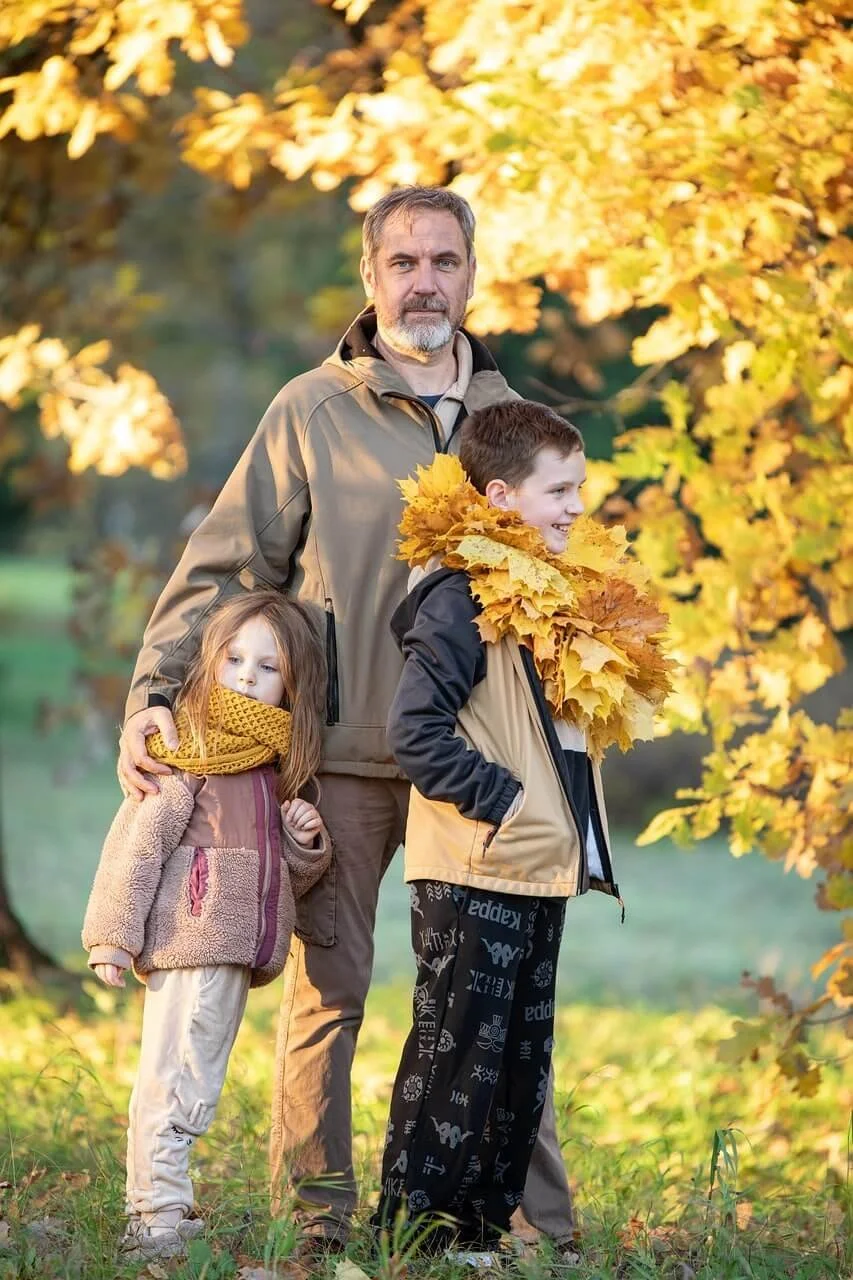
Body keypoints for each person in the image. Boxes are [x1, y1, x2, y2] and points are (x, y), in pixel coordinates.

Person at [115, 186, 578, 1255]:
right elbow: (228, 564)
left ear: (471, 275)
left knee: (499, 999)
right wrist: (154, 692)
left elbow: (572, 567)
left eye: (445, 261)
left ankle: (531, 1223)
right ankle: (314, 1226)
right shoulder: (312, 408)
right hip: (346, 754)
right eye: (404, 260)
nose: (425, 280)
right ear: (370, 277)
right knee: (331, 993)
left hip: (483, 762)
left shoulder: (515, 416)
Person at [374, 401, 625, 1257]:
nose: (575, 506)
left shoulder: (548, 600)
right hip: (475, 865)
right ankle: (412, 1240)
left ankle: (479, 1236)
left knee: (516, 1066)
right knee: (456, 1060)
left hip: (535, 868)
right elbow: (415, 732)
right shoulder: (460, 596)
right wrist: (508, 802)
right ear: (500, 494)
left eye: (579, 488)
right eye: (559, 490)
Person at [83, 591, 331, 1261]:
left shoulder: (271, 762)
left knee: (199, 1081)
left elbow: (271, 876)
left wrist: (300, 842)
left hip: (235, 948)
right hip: (188, 939)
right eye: (234, 658)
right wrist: (114, 935)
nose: (247, 675)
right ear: (209, 660)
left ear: (291, 683)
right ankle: (153, 1218)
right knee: (174, 1075)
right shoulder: (186, 746)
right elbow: (137, 846)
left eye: (267, 666)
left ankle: (169, 1206)